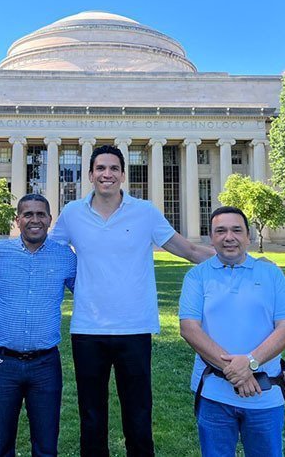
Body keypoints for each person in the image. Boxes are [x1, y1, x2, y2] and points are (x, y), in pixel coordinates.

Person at [51, 144, 213, 456]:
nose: (107, 174)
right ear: (90, 174)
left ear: (123, 174)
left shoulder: (145, 213)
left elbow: (189, 250)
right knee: (91, 415)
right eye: (100, 168)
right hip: (88, 330)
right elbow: (52, 257)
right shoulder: (72, 214)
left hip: (134, 327)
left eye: (113, 168)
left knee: (138, 415)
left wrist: (237, 261)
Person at [179, 206, 285, 457]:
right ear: (211, 237)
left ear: (248, 236)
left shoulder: (271, 273)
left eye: (236, 230)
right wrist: (238, 372)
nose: (228, 237)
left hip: (265, 394)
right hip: (213, 393)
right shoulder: (196, 277)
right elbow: (190, 329)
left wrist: (250, 363)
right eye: (220, 231)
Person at [0, 193, 77, 457]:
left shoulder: (65, 257)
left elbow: (87, 294)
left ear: (49, 219)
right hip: (2, 364)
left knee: (46, 446)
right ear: (18, 220)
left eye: (40, 214)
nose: (34, 220)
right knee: (0, 446)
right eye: (28, 214)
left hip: (45, 365)